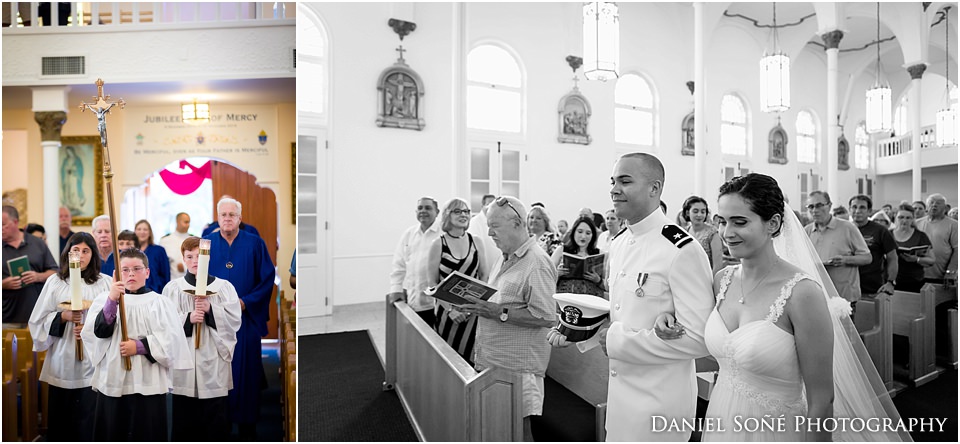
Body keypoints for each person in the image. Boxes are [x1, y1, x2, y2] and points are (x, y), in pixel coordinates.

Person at [662, 173, 907, 441]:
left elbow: (822, 399)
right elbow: (717, 348)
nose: (727, 233)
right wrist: (667, 315)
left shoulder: (802, 293)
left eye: (740, 222)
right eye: (722, 222)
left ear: (774, 223)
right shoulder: (722, 281)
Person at [549, 153, 714, 441]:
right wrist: (580, 332)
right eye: (613, 181)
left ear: (654, 188)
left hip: (659, 405)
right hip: (620, 400)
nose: (614, 189)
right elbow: (622, 315)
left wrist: (616, 340)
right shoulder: (621, 242)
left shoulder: (681, 249)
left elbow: (699, 338)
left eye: (625, 181)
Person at [459, 196, 557, 442]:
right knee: (500, 430)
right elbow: (504, 298)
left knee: (518, 433)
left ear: (516, 223)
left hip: (518, 368)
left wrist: (497, 312)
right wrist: (480, 303)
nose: (489, 232)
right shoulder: (506, 255)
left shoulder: (536, 263)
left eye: (495, 226)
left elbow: (546, 316)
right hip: (497, 361)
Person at [80, 248, 191, 441]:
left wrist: (140, 346)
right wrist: (112, 299)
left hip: (148, 381)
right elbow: (96, 333)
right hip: (114, 380)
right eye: (125, 269)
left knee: (146, 432)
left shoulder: (160, 303)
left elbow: (172, 341)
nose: (131, 274)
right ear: (116, 274)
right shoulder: (104, 300)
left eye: (137, 269)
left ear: (147, 272)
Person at [203, 197, 276, 438]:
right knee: (218, 372)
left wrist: (246, 302)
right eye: (223, 214)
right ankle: (220, 429)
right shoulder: (206, 244)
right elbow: (197, 278)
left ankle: (247, 429)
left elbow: (266, 279)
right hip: (215, 320)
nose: (227, 218)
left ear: (239, 218)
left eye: (231, 215)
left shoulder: (255, 243)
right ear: (218, 217)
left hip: (246, 320)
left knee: (247, 373)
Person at [27, 233, 111, 441]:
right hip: (62, 361)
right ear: (67, 253)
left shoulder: (105, 284)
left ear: (93, 254)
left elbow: (113, 320)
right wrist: (63, 316)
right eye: (75, 251)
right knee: (62, 421)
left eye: (85, 251)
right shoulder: (55, 282)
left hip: (94, 362)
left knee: (90, 421)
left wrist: (88, 328)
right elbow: (37, 321)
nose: (80, 256)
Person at [163, 236, 243, 441]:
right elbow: (164, 325)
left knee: (215, 418)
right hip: (186, 358)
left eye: (199, 256)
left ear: (208, 257)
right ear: (184, 258)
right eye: (189, 256)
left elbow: (234, 322)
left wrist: (211, 310)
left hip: (212, 357)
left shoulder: (223, 288)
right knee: (185, 418)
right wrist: (188, 319)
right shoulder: (173, 289)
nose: (195, 261)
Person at [426, 198, 488, 364]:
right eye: (458, 211)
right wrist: (450, 310)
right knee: (448, 359)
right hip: (447, 312)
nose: (464, 215)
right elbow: (432, 283)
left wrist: (473, 306)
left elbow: (484, 276)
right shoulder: (438, 244)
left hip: (473, 311)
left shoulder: (476, 241)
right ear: (448, 214)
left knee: (471, 358)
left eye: (466, 211)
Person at [803, 191, 871, 313]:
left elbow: (867, 257)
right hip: (818, 297)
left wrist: (845, 260)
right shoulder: (807, 231)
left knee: (846, 332)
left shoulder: (847, 227)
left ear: (829, 206)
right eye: (811, 207)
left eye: (819, 205)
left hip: (843, 299)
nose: (815, 210)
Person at [389, 197, 442, 325]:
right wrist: (396, 288)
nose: (423, 211)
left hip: (436, 304)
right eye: (420, 208)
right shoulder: (409, 234)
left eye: (428, 208)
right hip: (413, 300)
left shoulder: (443, 234)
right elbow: (399, 264)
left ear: (437, 212)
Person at [3, 205, 58, 326]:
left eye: (3, 224)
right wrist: (3, 284)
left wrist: (38, 276)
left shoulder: (37, 243)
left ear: (15, 222)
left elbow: (55, 272)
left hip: (38, 316)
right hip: (6, 318)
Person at [849, 195, 899, 299]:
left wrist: (890, 282)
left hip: (871, 287)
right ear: (849, 209)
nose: (857, 211)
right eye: (854, 207)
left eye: (862, 207)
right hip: (847, 287)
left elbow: (892, 258)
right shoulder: (843, 229)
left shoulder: (880, 231)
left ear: (869, 211)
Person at [551, 216, 604, 297]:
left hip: (591, 300)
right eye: (580, 232)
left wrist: (598, 280)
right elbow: (546, 276)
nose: (583, 236)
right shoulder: (561, 250)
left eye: (588, 233)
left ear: (593, 235)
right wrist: (557, 274)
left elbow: (608, 285)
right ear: (574, 232)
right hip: (566, 299)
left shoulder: (598, 253)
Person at [916, 193, 958, 288]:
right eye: (931, 203)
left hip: (942, 275)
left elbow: (957, 250)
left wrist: (950, 272)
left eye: (938, 203)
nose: (934, 205)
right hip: (918, 273)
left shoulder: (954, 225)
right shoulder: (917, 223)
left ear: (946, 208)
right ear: (927, 206)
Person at [891, 203, 935, 292]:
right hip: (891, 279)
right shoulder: (888, 234)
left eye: (908, 218)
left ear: (913, 219)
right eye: (901, 217)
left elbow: (932, 260)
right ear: (895, 217)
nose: (904, 221)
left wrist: (916, 259)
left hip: (914, 280)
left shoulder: (920, 236)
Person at [682, 196, 723, 275]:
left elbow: (717, 266)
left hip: (706, 279)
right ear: (687, 212)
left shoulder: (713, 233)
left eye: (703, 211)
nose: (699, 215)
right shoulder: (684, 232)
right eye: (695, 211)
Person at [467, 195, 501, 275]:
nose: (491, 206)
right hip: (483, 270)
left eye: (493, 204)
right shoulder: (474, 223)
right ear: (482, 206)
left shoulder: (498, 221)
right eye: (488, 204)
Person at [134, 219, 171, 293]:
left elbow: (166, 275)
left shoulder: (159, 250)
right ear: (135, 232)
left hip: (155, 292)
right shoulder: (131, 252)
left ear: (150, 232)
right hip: (135, 293)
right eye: (139, 229)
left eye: (145, 229)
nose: (142, 232)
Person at [159, 212, 194, 281]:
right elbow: (161, 263)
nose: (188, 225)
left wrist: (184, 268)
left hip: (191, 280)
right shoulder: (165, 240)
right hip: (171, 280)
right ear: (177, 222)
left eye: (189, 222)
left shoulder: (194, 240)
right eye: (185, 222)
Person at [60, 145, 86, 215]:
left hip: (74, 179)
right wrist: (66, 170)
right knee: (68, 191)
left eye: (69, 152)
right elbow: (63, 169)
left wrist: (74, 171)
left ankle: (75, 205)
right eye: (67, 152)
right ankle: (69, 205)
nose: (69, 153)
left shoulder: (77, 160)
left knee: (74, 191)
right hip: (67, 178)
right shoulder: (66, 160)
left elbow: (80, 170)